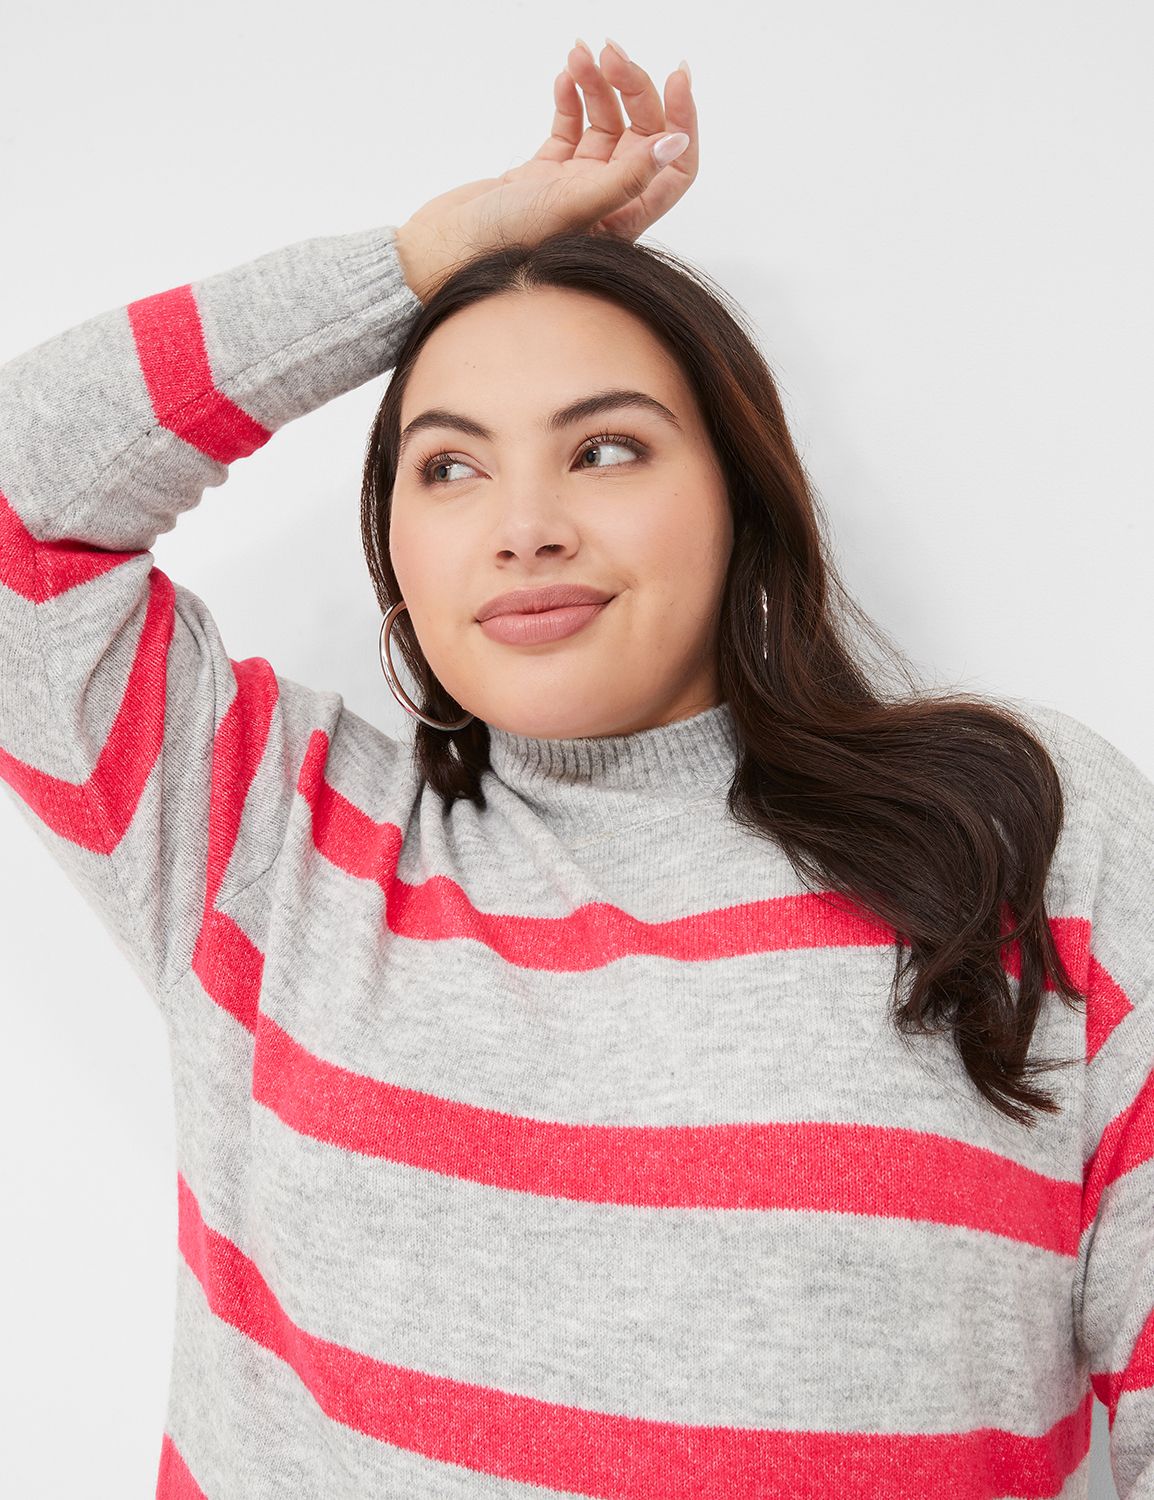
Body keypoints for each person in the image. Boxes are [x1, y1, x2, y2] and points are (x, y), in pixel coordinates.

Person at [1, 35, 1150, 1500]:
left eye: (605, 451)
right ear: (396, 551)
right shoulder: (264, 835)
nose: (524, 523)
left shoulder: (1022, 827)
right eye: (450, 464)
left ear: (740, 502)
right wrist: (418, 264)